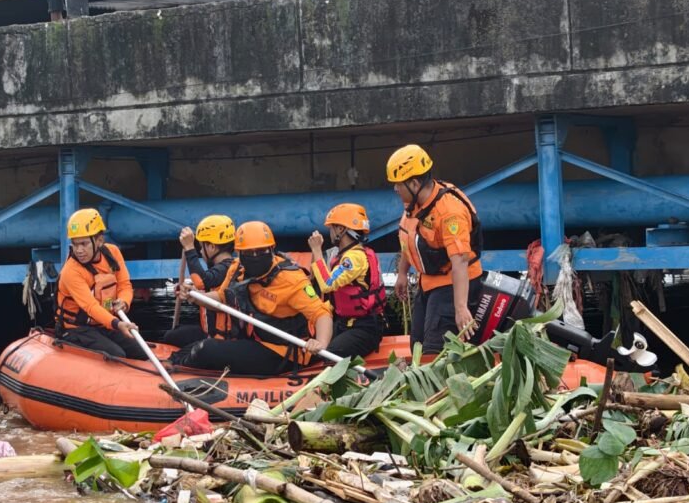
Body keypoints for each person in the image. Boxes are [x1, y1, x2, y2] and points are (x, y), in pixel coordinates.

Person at [174, 221, 332, 375]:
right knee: (189, 345)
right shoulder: (237, 270)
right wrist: (195, 296)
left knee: (206, 350)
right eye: (249, 253)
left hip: (282, 352)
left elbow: (321, 313)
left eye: (261, 251)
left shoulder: (292, 279)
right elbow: (221, 298)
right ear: (240, 253)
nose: (255, 256)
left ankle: (176, 371)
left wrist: (321, 343)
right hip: (256, 340)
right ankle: (171, 364)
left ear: (272, 249)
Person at [389, 144, 484, 355]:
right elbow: (409, 237)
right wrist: (402, 273)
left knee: (433, 349)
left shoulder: (449, 212)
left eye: (398, 184)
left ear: (414, 183)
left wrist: (460, 308)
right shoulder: (414, 205)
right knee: (417, 345)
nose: (395, 189)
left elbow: (459, 261)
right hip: (429, 283)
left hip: (453, 283)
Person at [54, 208, 147, 359]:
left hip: (103, 324)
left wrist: (124, 302)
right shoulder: (71, 271)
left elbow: (125, 285)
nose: (79, 250)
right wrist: (117, 324)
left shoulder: (113, 253)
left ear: (99, 241)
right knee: (117, 354)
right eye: (75, 244)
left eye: (84, 244)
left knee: (140, 352)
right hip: (76, 329)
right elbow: (90, 307)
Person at [308, 203, 386, 360]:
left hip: (365, 327)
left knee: (331, 355)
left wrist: (317, 250)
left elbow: (327, 284)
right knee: (313, 352)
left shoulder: (354, 258)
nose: (330, 232)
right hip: (345, 323)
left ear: (341, 229)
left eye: (332, 228)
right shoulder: (343, 255)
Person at [164, 215, 236, 348]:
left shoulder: (228, 267)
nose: (201, 252)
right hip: (208, 332)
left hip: (222, 340)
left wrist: (189, 248)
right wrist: (187, 290)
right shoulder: (220, 270)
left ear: (212, 247)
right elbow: (206, 285)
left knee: (192, 348)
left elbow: (202, 281)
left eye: (202, 247)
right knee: (172, 336)